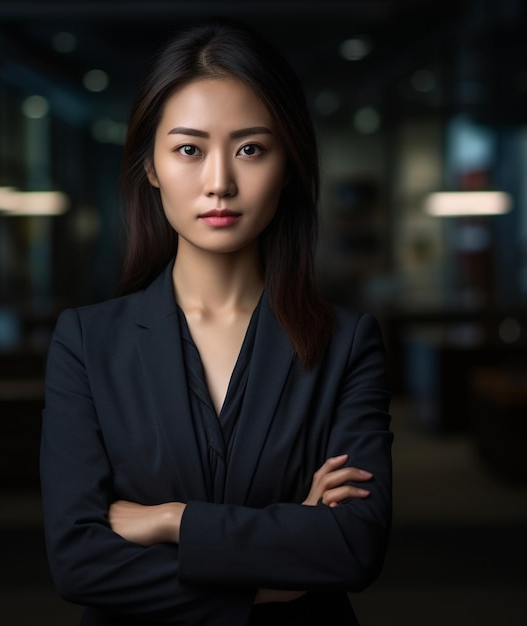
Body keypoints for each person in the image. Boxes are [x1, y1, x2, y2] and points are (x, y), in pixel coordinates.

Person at [40, 17, 392, 626]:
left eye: (251, 149)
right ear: (150, 166)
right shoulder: (87, 342)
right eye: (188, 149)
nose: (220, 182)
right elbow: (79, 561)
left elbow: (352, 548)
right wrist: (270, 576)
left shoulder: (346, 343)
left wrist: (168, 520)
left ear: (288, 165)